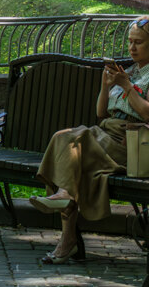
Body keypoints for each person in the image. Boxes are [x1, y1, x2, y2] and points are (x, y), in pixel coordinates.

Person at [32, 18, 149, 264]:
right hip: (106, 133)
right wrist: (106, 86)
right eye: (129, 42)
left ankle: (66, 230)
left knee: (78, 142)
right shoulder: (129, 71)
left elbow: (147, 113)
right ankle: (67, 216)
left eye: (138, 42)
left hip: (130, 142)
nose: (132, 48)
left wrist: (126, 86)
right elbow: (101, 113)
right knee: (62, 138)